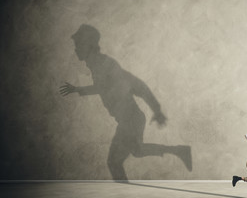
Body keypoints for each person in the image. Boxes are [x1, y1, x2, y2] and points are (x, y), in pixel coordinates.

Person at [60, 24, 192, 180]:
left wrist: (157, 110)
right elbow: (111, 86)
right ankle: (179, 151)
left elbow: (134, 85)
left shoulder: (105, 65)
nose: (75, 49)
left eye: (78, 44)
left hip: (130, 119)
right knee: (136, 152)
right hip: (129, 119)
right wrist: (156, 110)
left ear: (89, 45)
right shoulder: (99, 66)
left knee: (114, 162)